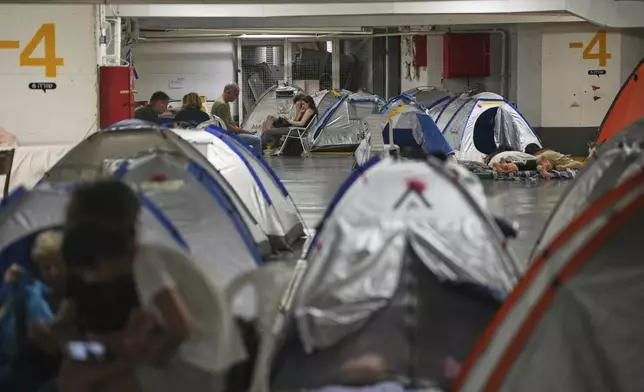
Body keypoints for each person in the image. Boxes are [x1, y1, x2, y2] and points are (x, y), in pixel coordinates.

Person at [55, 180, 245, 392]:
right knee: (80, 372)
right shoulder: (150, 254)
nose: (87, 279)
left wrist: (147, 359)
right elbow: (154, 317)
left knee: (88, 381)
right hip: (211, 358)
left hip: (200, 366)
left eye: (87, 273)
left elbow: (180, 329)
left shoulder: (146, 263)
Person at [210, 83, 262, 153]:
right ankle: (256, 162)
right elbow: (228, 128)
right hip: (225, 135)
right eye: (235, 94)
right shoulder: (222, 105)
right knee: (257, 140)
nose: (236, 97)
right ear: (228, 92)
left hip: (223, 132)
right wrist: (247, 132)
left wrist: (239, 129)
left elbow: (230, 122)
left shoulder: (223, 101)